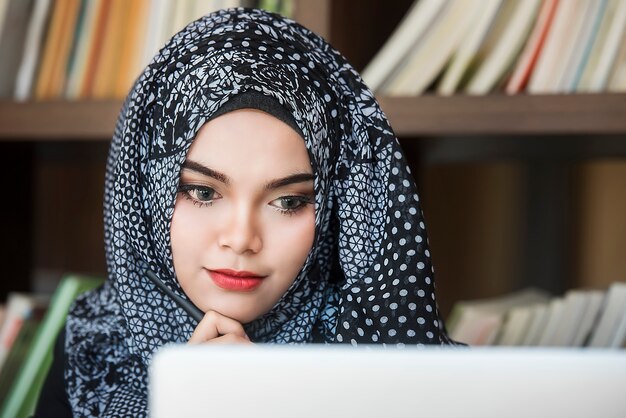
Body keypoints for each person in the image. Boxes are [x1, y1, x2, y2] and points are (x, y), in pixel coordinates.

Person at [34, 7, 457, 417]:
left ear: (332, 208)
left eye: (288, 201)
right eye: (202, 192)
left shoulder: (390, 354)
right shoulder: (91, 342)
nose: (240, 238)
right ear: (147, 192)